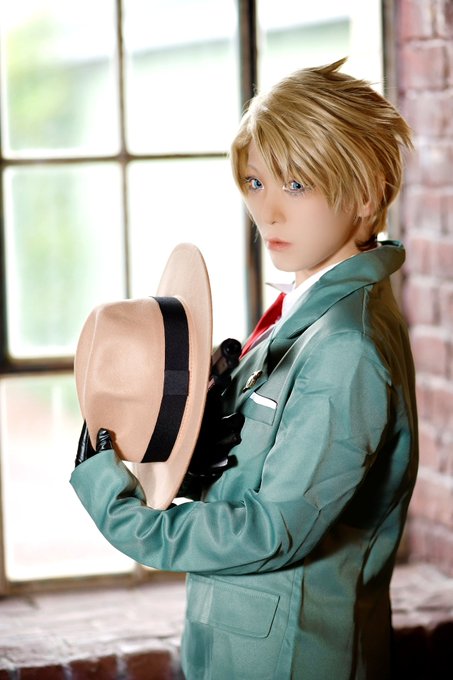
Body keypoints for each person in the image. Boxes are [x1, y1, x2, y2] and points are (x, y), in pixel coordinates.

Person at [70, 58, 418, 679]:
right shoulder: (303, 316)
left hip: (293, 659)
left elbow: (272, 532)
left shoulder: (346, 347)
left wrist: (118, 509)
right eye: (256, 182)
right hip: (243, 644)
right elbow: (253, 478)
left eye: (297, 185)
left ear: (366, 193)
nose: (268, 212)